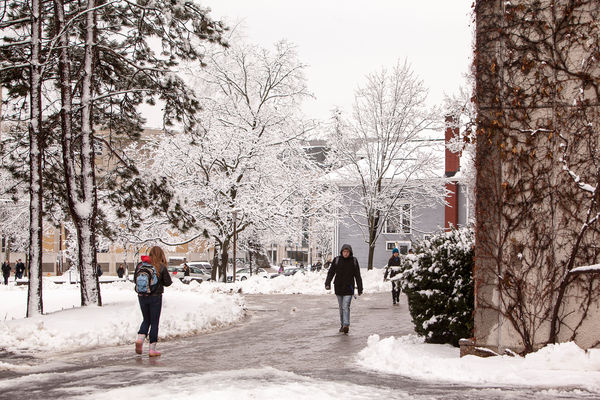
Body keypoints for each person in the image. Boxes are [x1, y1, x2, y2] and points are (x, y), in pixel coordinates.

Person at [134, 246, 172, 357]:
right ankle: (152, 350)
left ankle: (140, 339)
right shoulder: (160, 266)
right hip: (155, 297)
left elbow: (134, 280)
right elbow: (168, 282)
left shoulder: (140, 265)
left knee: (146, 319)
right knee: (154, 322)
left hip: (142, 296)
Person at [324, 244, 363, 334]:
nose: (345, 253)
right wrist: (327, 283)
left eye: (347, 252)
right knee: (341, 307)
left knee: (346, 306)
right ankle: (342, 325)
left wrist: (360, 288)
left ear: (350, 252)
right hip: (338, 287)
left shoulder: (354, 261)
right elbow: (331, 272)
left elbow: (357, 275)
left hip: (349, 288)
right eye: (344, 252)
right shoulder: (337, 260)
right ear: (342, 252)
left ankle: (346, 324)